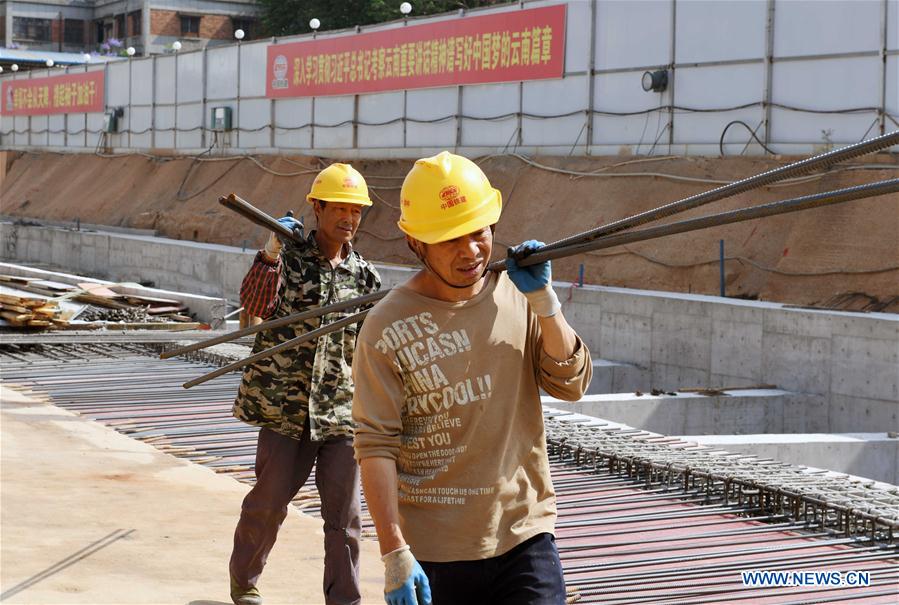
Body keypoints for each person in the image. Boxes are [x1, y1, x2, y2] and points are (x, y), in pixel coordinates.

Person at [351, 151, 592, 605]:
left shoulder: (517, 295)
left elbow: (571, 383)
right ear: (416, 242)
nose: (470, 251)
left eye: (478, 232)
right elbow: (376, 445)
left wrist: (545, 302)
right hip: (435, 551)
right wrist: (394, 551)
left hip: (524, 534)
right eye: (449, 239)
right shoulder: (386, 326)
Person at [229, 163, 381, 605]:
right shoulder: (289, 258)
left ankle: (345, 599)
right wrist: (271, 251)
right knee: (267, 504)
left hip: (340, 413)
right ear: (317, 208)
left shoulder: (365, 277)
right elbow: (254, 304)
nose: (348, 219)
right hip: (285, 409)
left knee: (345, 519)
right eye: (340, 209)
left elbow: (370, 346)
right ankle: (244, 582)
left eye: (356, 211)